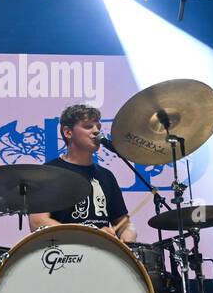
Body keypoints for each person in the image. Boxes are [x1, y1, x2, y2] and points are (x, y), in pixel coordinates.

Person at [31, 103, 136, 243]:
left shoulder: (106, 176)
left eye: (98, 127)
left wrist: (126, 237)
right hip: (62, 255)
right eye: (88, 126)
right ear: (68, 132)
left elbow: (125, 223)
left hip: (102, 255)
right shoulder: (48, 172)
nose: (96, 131)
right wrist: (90, 236)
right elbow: (38, 222)